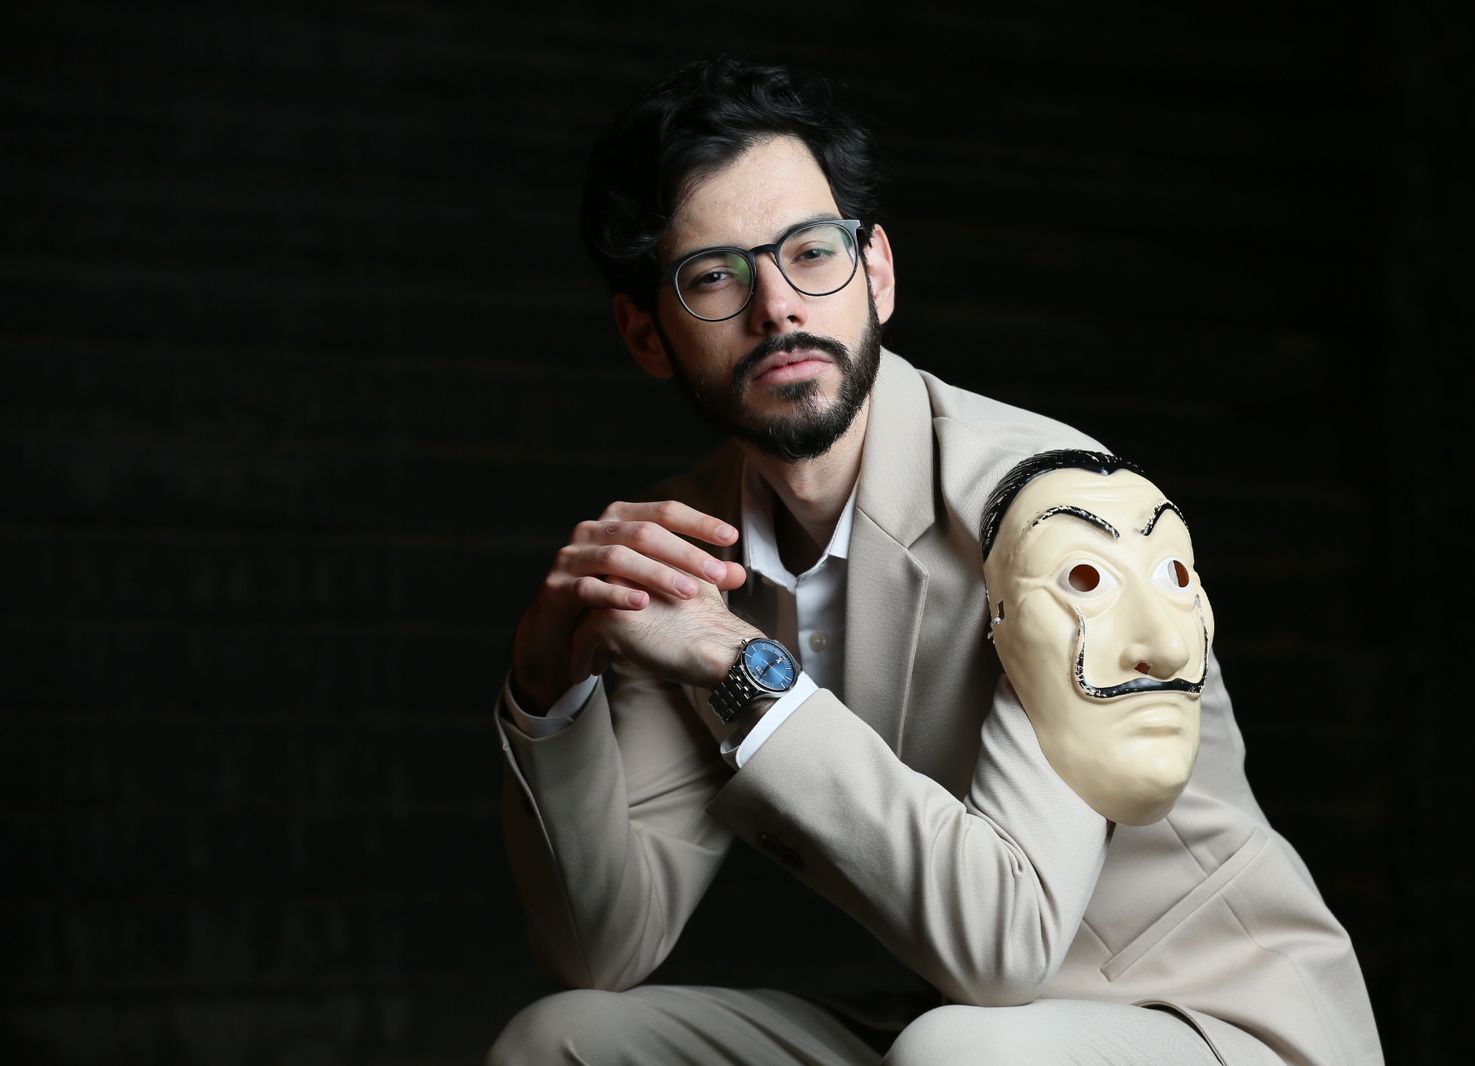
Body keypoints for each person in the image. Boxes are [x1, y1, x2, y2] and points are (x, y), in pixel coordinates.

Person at [489, 57, 1383, 1066]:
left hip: (1215, 1024)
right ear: (644, 334)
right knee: (564, 1043)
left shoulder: (1062, 515)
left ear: (876, 273)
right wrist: (547, 687)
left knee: (957, 1053)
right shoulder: (695, 551)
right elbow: (603, 947)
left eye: (812, 252)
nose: (778, 307)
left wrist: (741, 667)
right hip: (975, 1031)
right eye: (715, 277)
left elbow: (1005, 945)